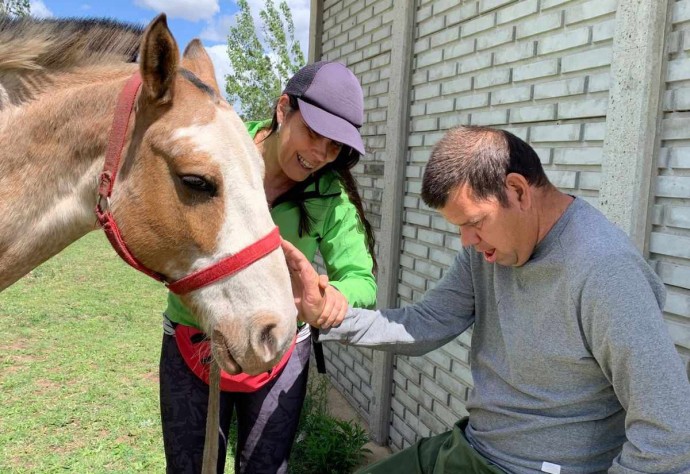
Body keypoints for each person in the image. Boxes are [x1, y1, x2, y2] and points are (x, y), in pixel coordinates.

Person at [283, 125, 690, 473]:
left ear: (517, 190)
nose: (467, 241)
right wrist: (331, 315)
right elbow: (426, 322)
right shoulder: (487, 256)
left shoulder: (605, 270)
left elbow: (669, 432)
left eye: (475, 223)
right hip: (471, 449)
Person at [159, 61, 377, 473]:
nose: (319, 154)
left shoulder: (329, 196)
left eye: (333, 147)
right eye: (313, 132)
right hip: (196, 340)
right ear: (283, 109)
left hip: (279, 350)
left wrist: (330, 298)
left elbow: (361, 280)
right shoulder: (218, 154)